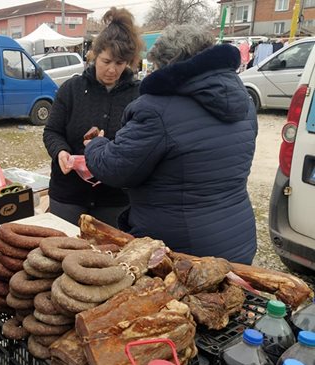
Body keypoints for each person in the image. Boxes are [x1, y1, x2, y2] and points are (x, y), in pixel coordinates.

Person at [84, 24, 258, 264]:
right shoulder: (244, 101)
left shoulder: (157, 109)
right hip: (237, 238)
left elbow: (115, 168)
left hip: (182, 251)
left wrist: (96, 144)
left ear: (168, 64)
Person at [42, 7, 143, 227]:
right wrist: (61, 151)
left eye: (119, 63)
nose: (112, 70)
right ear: (94, 55)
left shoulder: (138, 95)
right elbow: (52, 131)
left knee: (108, 256)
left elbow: (143, 143)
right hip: (68, 192)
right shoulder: (71, 89)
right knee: (61, 252)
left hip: (115, 197)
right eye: (106, 61)